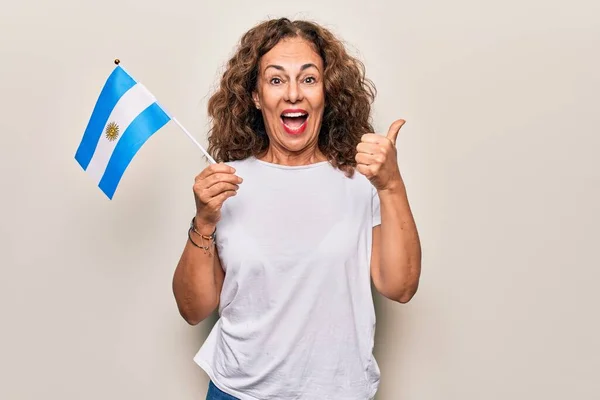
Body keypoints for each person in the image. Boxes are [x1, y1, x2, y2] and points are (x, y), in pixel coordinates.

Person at [172, 17, 422, 400]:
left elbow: (400, 287)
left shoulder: (362, 181)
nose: (293, 94)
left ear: (327, 90)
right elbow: (193, 310)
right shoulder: (226, 182)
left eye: (308, 78)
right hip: (238, 392)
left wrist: (391, 184)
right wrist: (204, 221)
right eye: (275, 80)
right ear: (256, 96)